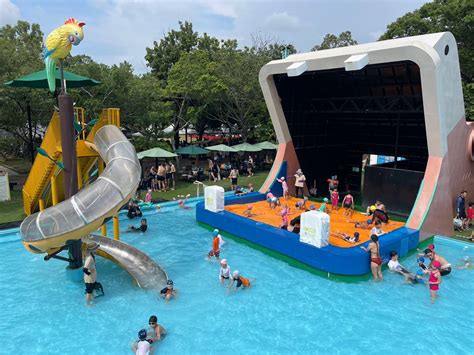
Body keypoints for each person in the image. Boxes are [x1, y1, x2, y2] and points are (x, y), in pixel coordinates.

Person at [83, 242, 99, 306]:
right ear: (92, 249)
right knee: (89, 292)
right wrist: (90, 274)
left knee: (90, 290)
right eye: (96, 248)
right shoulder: (89, 258)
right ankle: (87, 304)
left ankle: (91, 300)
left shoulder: (90, 255)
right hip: (89, 279)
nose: (97, 249)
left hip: (91, 278)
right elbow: (84, 269)